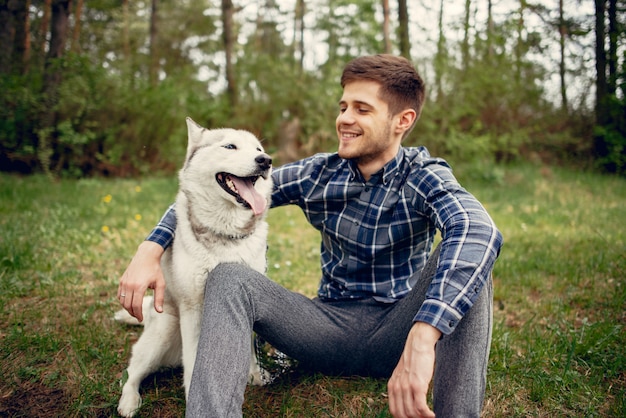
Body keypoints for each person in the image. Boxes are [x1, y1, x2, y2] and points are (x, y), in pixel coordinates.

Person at [118, 54, 503, 418]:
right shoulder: (319, 174)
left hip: (398, 330)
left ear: (402, 120)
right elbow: (209, 193)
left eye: (362, 109)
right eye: (343, 106)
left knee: (471, 259)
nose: (345, 119)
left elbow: (479, 230)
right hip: (324, 328)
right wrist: (150, 248)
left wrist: (423, 334)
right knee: (229, 277)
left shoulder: (423, 175)